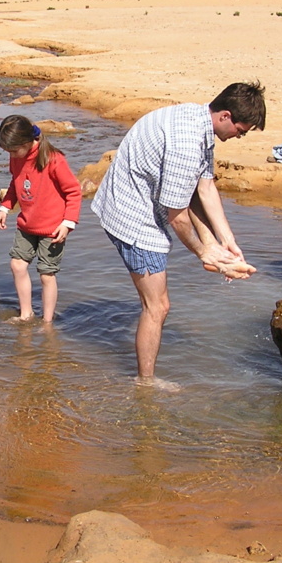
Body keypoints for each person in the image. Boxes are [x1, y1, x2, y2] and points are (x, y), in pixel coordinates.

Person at [91, 82, 264, 389]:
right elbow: (176, 214)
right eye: (242, 129)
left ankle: (218, 256)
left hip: (143, 198)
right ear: (225, 115)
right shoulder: (186, 142)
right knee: (157, 306)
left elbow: (204, 186)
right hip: (133, 216)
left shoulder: (199, 121)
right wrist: (203, 252)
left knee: (168, 293)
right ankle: (145, 382)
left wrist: (225, 240)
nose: (241, 136)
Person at [0, 115, 82, 323]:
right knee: (17, 265)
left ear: (27, 142)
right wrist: (5, 208)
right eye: (9, 152)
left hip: (53, 228)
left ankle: (47, 322)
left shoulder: (53, 159)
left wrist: (68, 223)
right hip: (27, 224)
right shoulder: (16, 157)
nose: (12, 155)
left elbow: (73, 192)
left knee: (46, 275)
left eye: (14, 151)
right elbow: (16, 182)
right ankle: (26, 314)